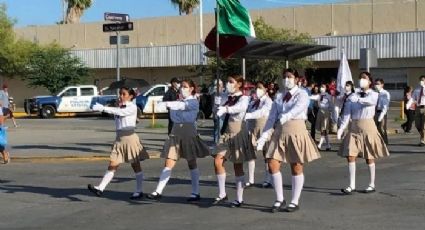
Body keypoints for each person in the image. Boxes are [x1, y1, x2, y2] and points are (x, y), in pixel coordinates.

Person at [257, 68, 321, 213]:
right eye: (284, 77)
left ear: (297, 79)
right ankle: (280, 198)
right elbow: (272, 117)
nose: (287, 79)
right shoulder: (279, 96)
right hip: (280, 131)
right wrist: (264, 136)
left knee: (296, 166)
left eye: (290, 77)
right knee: (272, 164)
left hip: (296, 130)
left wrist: (287, 115)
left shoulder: (302, 94)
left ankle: (294, 200)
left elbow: (300, 107)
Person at [146, 80, 210, 202]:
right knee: (169, 161)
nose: (182, 89)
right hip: (176, 131)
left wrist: (167, 104)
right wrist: (169, 105)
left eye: (185, 87)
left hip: (188, 131)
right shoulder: (177, 102)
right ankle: (158, 191)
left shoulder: (193, 102)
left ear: (191, 88)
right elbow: (174, 116)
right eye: (181, 87)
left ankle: (195, 192)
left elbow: (182, 107)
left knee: (191, 162)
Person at [88, 87, 150, 199]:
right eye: (120, 94)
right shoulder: (120, 106)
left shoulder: (132, 106)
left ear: (131, 96)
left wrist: (103, 108)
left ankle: (139, 190)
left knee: (135, 165)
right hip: (119, 138)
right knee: (113, 164)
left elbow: (120, 113)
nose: (121, 96)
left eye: (124, 94)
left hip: (130, 138)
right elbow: (119, 116)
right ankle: (100, 188)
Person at [337, 72, 390, 195]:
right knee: (350, 155)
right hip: (354, 127)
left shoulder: (374, 94)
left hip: (368, 126)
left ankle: (371, 184)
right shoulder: (353, 96)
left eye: (365, 78)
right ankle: (351, 185)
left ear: (370, 81)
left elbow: (370, 102)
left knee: (369, 156)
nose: (362, 80)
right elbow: (346, 113)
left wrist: (358, 99)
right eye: (360, 78)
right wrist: (341, 128)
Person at [212, 74, 256, 208]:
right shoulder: (226, 97)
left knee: (238, 166)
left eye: (231, 82)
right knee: (217, 161)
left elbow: (239, 109)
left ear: (239, 84)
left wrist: (226, 108)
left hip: (238, 133)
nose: (228, 84)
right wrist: (217, 104)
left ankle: (239, 198)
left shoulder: (244, 98)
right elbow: (215, 113)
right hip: (226, 133)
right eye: (228, 81)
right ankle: (222, 193)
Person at [244, 81, 273, 188]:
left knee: (267, 154)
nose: (257, 90)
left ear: (265, 89)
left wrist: (248, 115)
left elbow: (262, 112)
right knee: (250, 154)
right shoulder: (253, 102)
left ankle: (268, 179)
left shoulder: (268, 101)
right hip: (253, 129)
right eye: (256, 88)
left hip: (264, 128)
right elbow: (247, 117)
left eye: (260, 88)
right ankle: (251, 179)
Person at [312, 84, 333, 151]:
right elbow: (313, 97)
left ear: (326, 88)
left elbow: (331, 105)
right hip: (320, 111)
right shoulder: (319, 95)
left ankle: (320, 145)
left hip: (326, 112)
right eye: (321, 87)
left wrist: (330, 112)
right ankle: (328, 145)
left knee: (323, 128)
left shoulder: (328, 96)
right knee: (323, 129)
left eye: (323, 87)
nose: (321, 88)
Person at [374, 79, 390, 144]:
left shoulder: (385, 93)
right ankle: (379, 141)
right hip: (375, 112)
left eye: (378, 84)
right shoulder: (374, 93)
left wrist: (381, 116)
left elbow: (385, 106)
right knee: (376, 128)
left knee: (382, 128)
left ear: (382, 85)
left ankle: (385, 142)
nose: (376, 85)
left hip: (382, 112)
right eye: (375, 84)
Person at [212, 79, 227, 144]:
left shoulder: (226, 93)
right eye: (216, 85)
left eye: (219, 85)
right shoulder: (214, 93)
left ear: (222, 85)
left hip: (225, 115)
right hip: (218, 115)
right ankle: (216, 144)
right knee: (217, 130)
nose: (217, 86)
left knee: (223, 131)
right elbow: (214, 105)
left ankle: (221, 143)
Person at [411, 75, 425, 146]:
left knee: (423, 126)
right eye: (420, 80)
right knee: (417, 125)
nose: (421, 81)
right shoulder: (416, 90)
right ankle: (423, 136)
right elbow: (413, 99)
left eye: (423, 80)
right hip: (418, 108)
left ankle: (422, 140)